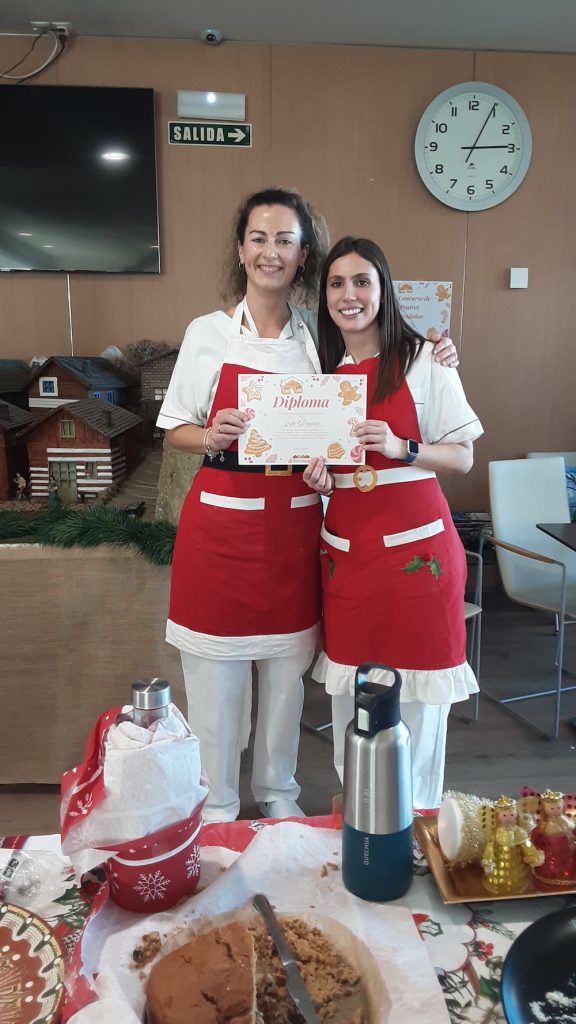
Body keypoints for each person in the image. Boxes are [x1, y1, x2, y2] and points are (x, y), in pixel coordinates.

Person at [157, 191, 458, 824]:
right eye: (259, 238)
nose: (271, 252)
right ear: (241, 249)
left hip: (296, 523)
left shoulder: (318, 340)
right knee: (214, 686)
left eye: (285, 241)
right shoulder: (207, 334)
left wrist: (439, 352)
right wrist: (209, 435)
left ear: (302, 256)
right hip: (219, 523)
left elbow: (363, 385)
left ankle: (278, 793)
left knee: (286, 679)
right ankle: (216, 806)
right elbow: (175, 428)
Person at [303, 236, 484, 810]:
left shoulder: (425, 359)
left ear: (384, 290)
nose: (349, 295)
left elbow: (462, 456)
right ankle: (361, 816)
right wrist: (321, 480)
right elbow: (335, 468)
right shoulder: (323, 376)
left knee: (418, 702)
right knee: (354, 696)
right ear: (324, 296)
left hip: (416, 558)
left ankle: (417, 819)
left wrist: (403, 447)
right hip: (348, 556)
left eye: (362, 281)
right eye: (337, 283)